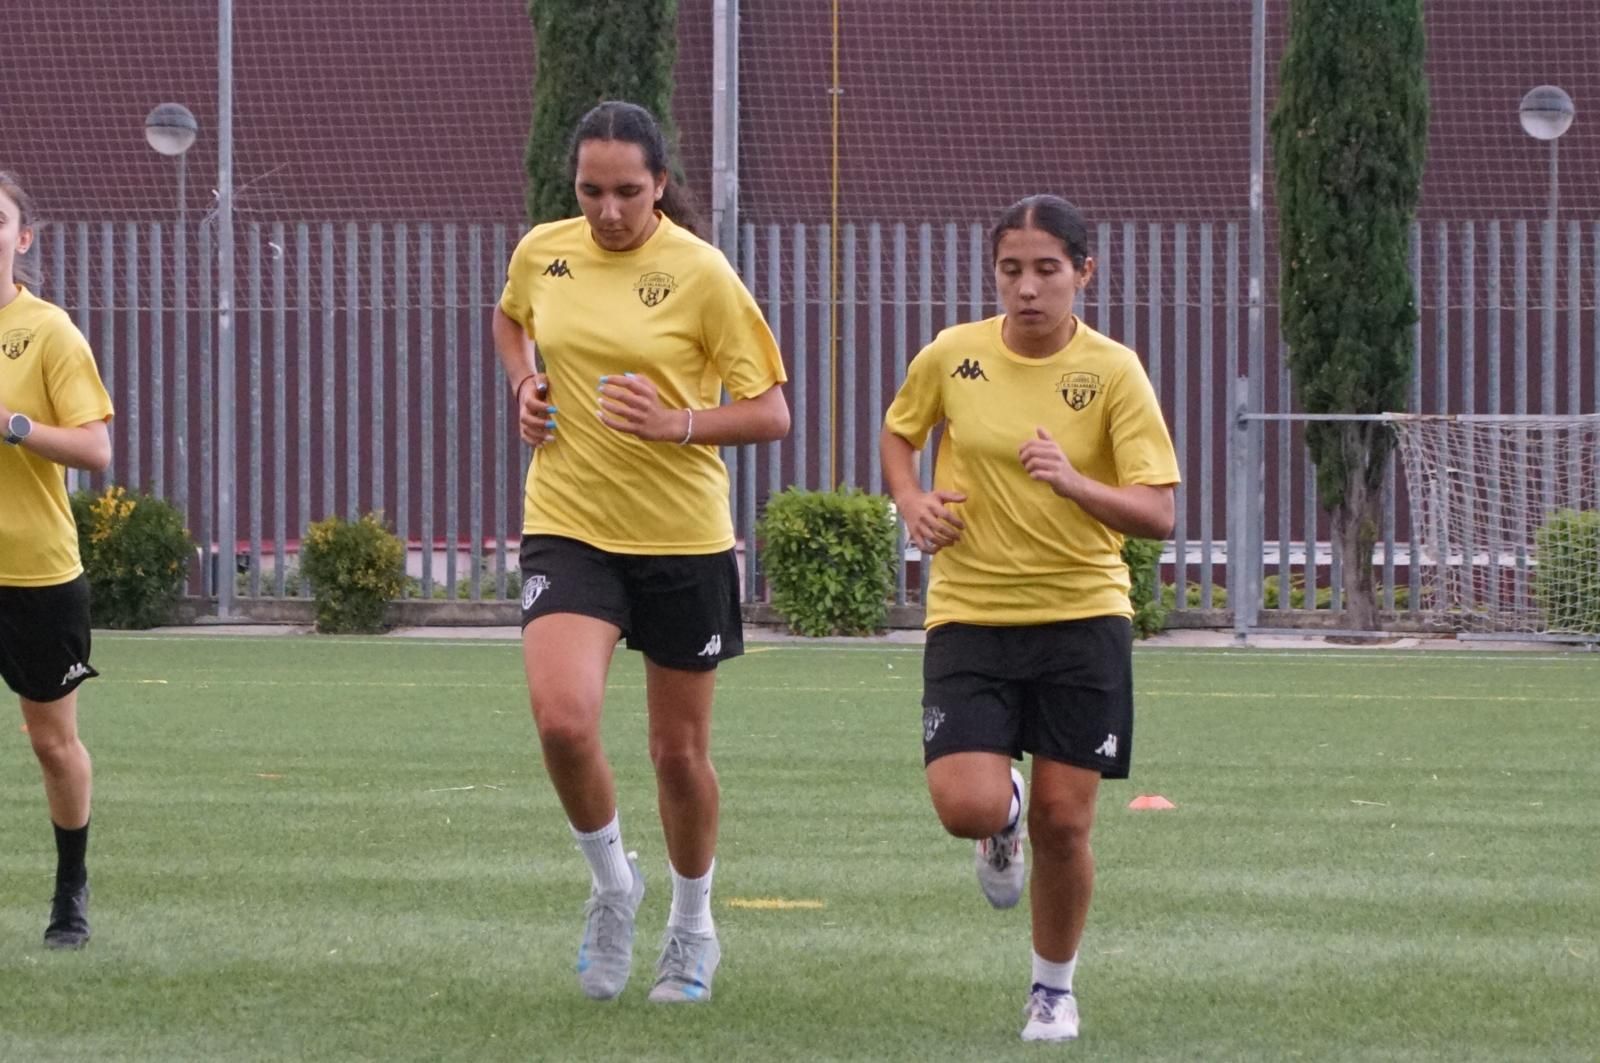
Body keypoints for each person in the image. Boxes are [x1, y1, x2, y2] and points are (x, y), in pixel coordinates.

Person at [491, 101, 789, 1004]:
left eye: (627, 191)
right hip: (570, 521)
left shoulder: (702, 274)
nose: (608, 210)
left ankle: (693, 924)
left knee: (676, 754)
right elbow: (512, 319)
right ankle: (613, 886)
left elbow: (771, 408)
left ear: (661, 185)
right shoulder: (544, 249)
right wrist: (525, 384)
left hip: (681, 541)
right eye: (591, 190)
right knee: (563, 720)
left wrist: (678, 423)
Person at [881, 194, 1179, 1042]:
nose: (1028, 287)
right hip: (971, 612)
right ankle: (998, 822)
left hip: (1082, 615)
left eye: (1048, 268)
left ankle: (1053, 987)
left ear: (1085, 271)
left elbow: (1156, 511)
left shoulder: (1114, 372)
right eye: (1012, 269)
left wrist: (1072, 480)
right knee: (965, 804)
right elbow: (901, 434)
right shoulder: (952, 355)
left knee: (1066, 818)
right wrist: (912, 501)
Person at [0, 171, 115, 950]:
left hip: (35, 571)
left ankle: (71, 887)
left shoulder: (50, 332)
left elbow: (96, 448)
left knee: (50, 741)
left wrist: (14, 424)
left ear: (22, 238)